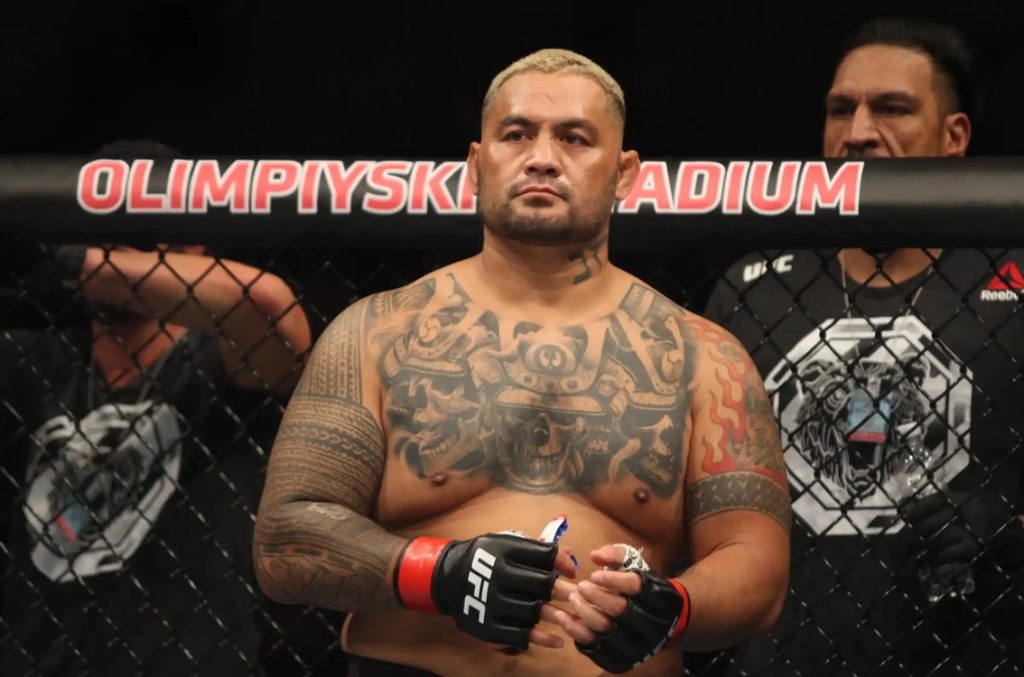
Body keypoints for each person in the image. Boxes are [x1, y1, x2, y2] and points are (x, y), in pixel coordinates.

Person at [253, 48, 791, 676]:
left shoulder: (705, 357)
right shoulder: (375, 334)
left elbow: (756, 565)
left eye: (574, 138)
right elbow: (285, 539)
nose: (542, 156)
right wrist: (441, 573)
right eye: (517, 134)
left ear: (624, 175)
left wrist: (672, 608)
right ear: (477, 166)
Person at [702, 18, 1024, 676]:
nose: (857, 131)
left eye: (893, 108)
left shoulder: (1013, 279)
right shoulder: (756, 287)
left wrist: (1011, 526)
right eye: (840, 109)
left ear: (954, 136)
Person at [0, 140, 313, 676]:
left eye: (139, 238)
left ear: (195, 251)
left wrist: (69, 260)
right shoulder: (40, 359)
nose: (118, 256)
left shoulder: (220, 362)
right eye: (106, 234)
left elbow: (264, 306)